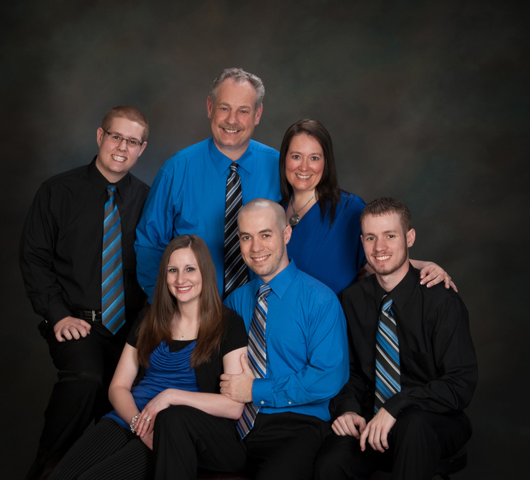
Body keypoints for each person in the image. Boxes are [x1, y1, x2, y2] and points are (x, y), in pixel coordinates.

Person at [153, 199, 349, 480]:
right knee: (173, 419)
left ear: (286, 234)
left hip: (295, 427)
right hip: (234, 426)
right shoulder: (234, 302)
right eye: (246, 237)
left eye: (265, 235)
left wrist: (255, 390)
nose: (256, 248)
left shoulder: (319, 301)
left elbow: (328, 378)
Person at [48, 235, 248, 480]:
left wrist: (170, 396)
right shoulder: (149, 318)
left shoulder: (228, 324)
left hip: (173, 431)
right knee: (60, 476)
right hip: (129, 417)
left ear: (205, 272)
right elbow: (118, 387)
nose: (181, 279)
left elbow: (233, 406)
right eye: (173, 270)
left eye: (190, 269)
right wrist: (137, 424)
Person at [20, 105, 150, 479]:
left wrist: (147, 330)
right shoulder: (57, 191)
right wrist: (58, 314)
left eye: (132, 141)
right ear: (99, 136)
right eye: (116, 137)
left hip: (132, 330)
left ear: (142, 149)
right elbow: (34, 258)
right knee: (87, 380)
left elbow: (159, 267)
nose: (122, 147)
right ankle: (47, 471)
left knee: (140, 401)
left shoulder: (148, 200)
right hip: (77, 323)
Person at [314, 198, 478, 480]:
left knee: (413, 426)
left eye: (390, 236)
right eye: (371, 237)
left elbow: (460, 383)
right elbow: (350, 372)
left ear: (409, 238)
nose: (379, 247)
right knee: (330, 462)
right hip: (373, 418)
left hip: (435, 418)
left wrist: (398, 404)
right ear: (362, 242)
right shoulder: (351, 300)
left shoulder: (441, 301)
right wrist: (348, 410)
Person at [135, 68, 281, 301]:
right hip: (192, 309)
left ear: (257, 114)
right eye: (224, 108)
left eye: (243, 110)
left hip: (265, 310)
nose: (232, 120)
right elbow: (149, 245)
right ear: (210, 107)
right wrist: (168, 306)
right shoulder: (176, 170)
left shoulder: (281, 168)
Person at [279, 119, 457, 295]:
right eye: (296, 156)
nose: (304, 167)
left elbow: (382, 262)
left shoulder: (349, 210)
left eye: (314, 158)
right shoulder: (275, 210)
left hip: (330, 313)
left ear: (326, 162)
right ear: (284, 159)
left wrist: (426, 266)